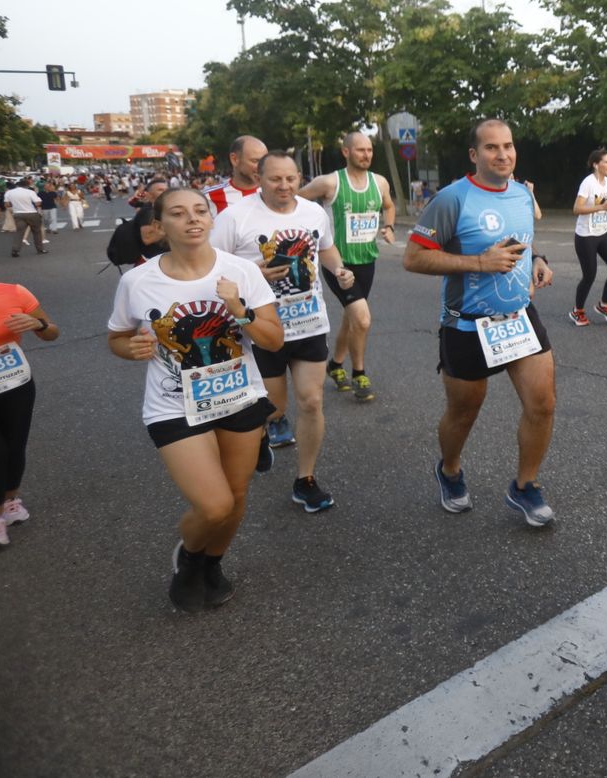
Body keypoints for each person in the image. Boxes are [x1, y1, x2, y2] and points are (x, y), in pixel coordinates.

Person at [106, 187, 284, 611]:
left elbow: (274, 341)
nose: (193, 220)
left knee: (236, 498)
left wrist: (239, 308)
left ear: (211, 218)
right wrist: (129, 348)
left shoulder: (240, 271)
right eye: (179, 213)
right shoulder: (138, 281)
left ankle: (212, 563)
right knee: (215, 503)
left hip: (239, 396)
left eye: (201, 211)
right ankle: (189, 558)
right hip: (174, 405)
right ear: (158, 226)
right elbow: (117, 336)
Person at [403, 119, 559, 526]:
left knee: (542, 405)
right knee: (464, 411)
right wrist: (478, 262)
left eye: (508, 146)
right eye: (492, 148)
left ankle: (525, 486)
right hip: (467, 325)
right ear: (474, 155)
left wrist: (538, 260)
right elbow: (414, 257)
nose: (503, 154)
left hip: (519, 317)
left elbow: (521, 237)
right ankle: (450, 469)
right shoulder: (452, 199)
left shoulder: (523, 194)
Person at [211, 152, 354, 508]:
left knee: (312, 400)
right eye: (275, 179)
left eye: (290, 178)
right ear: (258, 178)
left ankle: (305, 479)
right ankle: (262, 430)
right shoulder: (235, 217)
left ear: (299, 177)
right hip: (261, 327)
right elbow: (211, 267)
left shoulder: (313, 212)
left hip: (308, 322)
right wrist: (251, 272)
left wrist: (339, 270)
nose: (284, 186)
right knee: (274, 406)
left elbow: (327, 248)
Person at [299, 131, 397, 403]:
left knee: (351, 316)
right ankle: (359, 374)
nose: (366, 155)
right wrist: (308, 236)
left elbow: (389, 206)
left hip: (368, 260)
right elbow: (293, 202)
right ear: (346, 152)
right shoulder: (329, 183)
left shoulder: (379, 183)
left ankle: (335, 365)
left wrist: (388, 226)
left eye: (369, 150)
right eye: (360, 150)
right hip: (338, 263)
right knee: (362, 318)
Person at [0, 241, 59, 551]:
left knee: (14, 446)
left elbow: (52, 331)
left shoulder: (14, 292)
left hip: (13, 383)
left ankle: (11, 500)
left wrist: (38, 324)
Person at [571, 149, 607, 327]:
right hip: (586, 235)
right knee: (589, 275)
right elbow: (577, 209)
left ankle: (604, 304)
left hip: (603, 232)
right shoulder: (588, 183)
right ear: (596, 164)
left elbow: (603, 204)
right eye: (606, 162)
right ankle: (577, 311)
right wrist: (602, 207)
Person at [204, 135, 266, 214]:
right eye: (255, 161)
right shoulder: (208, 198)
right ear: (234, 159)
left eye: (265, 161)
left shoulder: (274, 195)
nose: (262, 166)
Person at [4, 178, 46, 258]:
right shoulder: (30, 192)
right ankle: (40, 249)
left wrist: (16, 205)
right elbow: (37, 203)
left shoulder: (9, 192)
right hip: (31, 213)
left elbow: (7, 205)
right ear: (27, 185)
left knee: (19, 232)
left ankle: (15, 250)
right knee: (37, 232)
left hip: (18, 214)